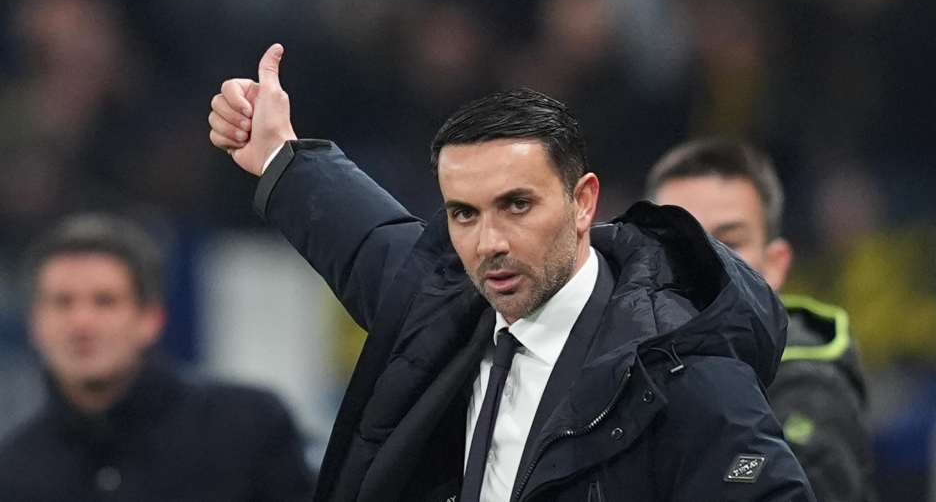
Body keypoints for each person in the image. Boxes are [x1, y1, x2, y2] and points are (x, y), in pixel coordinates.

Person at [208, 44, 814, 502]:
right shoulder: (440, 307)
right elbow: (365, 237)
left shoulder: (686, 373)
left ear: (583, 202)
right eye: (463, 214)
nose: (489, 243)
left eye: (517, 205)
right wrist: (278, 155)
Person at [0, 213, 316, 502]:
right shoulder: (12, 473)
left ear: (151, 319)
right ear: (34, 323)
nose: (82, 322)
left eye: (105, 301)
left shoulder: (249, 428)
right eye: (62, 302)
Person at [646, 138, 875, 502]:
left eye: (730, 243)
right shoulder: (618, 371)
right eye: (678, 241)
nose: (702, 261)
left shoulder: (810, 391)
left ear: (775, 264)